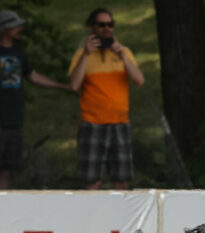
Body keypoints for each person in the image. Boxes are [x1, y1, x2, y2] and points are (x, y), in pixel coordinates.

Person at [67, 8, 144, 190]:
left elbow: (139, 80)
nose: (106, 29)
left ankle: (120, 218)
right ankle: (90, 217)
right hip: (92, 123)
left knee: (122, 179)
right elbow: (74, 85)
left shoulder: (123, 52)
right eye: (101, 25)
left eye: (110, 24)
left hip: (120, 122)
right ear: (92, 28)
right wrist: (86, 53)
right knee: (93, 180)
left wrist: (123, 56)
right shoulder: (82, 55)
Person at [0, 9, 74, 189]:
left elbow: (32, 76)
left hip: (14, 119)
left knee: (7, 169)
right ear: (5, 28)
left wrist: (62, 86)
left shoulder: (19, 51)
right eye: (16, 25)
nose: (21, 28)